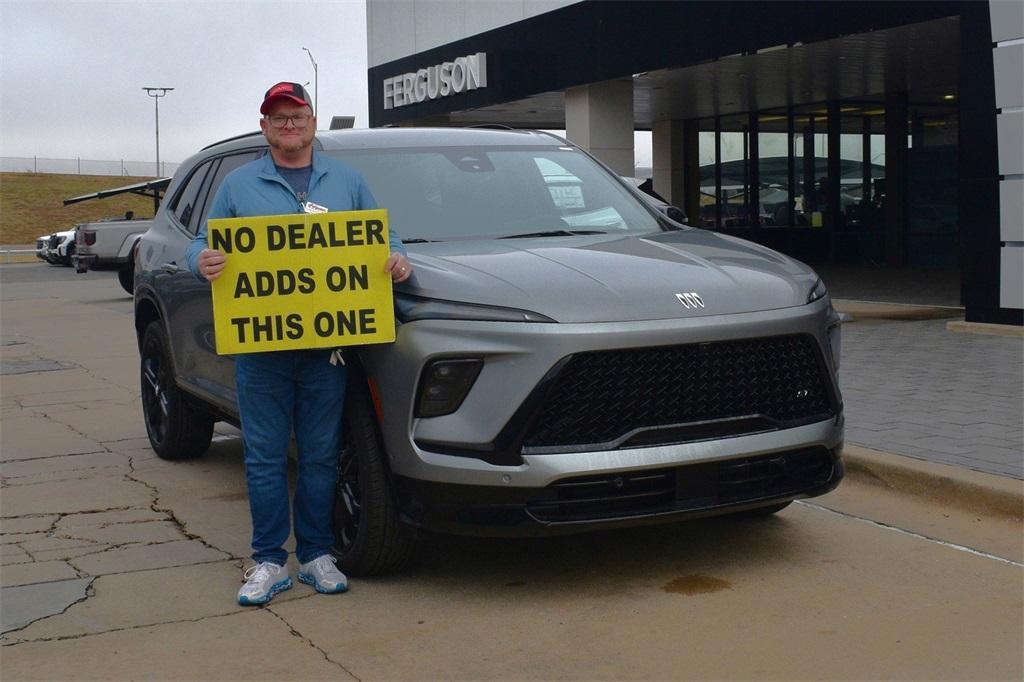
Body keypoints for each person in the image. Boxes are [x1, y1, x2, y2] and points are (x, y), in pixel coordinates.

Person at [185, 82, 412, 605]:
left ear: (312, 123)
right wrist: (200, 260)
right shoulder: (239, 186)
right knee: (264, 456)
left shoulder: (347, 181)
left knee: (319, 454)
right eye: (278, 117)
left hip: (326, 350)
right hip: (262, 351)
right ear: (265, 127)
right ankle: (268, 560)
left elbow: (385, 238)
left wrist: (397, 260)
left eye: (297, 115)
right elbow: (203, 242)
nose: (289, 124)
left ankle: (315, 553)